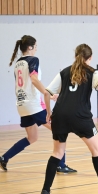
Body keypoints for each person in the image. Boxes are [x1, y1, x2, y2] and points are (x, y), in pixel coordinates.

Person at [40, 44, 98, 194]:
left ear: (76, 55)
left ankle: (45, 191)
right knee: (96, 151)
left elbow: (47, 93)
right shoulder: (92, 72)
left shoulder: (64, 71)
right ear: (90, 58)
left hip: (60, 116)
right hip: (80, 117)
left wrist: (49, 113)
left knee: (57, 153)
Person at [0, 35, 77, 174]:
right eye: (35, 47)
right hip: (32, 104)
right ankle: (61, 164)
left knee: (32, 137)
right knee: (59, 129)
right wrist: (48, 93)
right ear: (30, 47)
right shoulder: (33, 60)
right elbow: (34, 79)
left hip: (21, 105)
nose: (36, 50)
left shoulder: (18, 63)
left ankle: (4, 157)